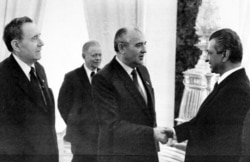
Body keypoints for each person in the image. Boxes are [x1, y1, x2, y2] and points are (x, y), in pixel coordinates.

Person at [166, 28, 250, 162]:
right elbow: (204, 123)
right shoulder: (229, 84)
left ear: (225, 55)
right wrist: (174, 132)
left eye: (210, 53)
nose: (206, 59)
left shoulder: (238, 90)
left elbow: (222, 143)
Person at [91, 27, 168, 162]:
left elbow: (147, 114)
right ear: (121, 48)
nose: (145, 50)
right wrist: (152, 133)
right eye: (139, 45)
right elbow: (112, 125)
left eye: (145, 44)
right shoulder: (103, 79)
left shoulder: (143, 71)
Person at [0, 16, 58, 162]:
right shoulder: (2, 76)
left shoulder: (39, 70)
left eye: (40, 37)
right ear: (16, 45)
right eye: (34, 38)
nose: (41, 43)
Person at [58, 40, 102, 162]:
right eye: (94, 55)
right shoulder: (72, 77)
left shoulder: (106, 77)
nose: (98, 58)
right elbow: (63, 105)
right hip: (81, 137)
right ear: (84, 56)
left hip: (102, 136)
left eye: (100, 55)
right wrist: (74, 122)